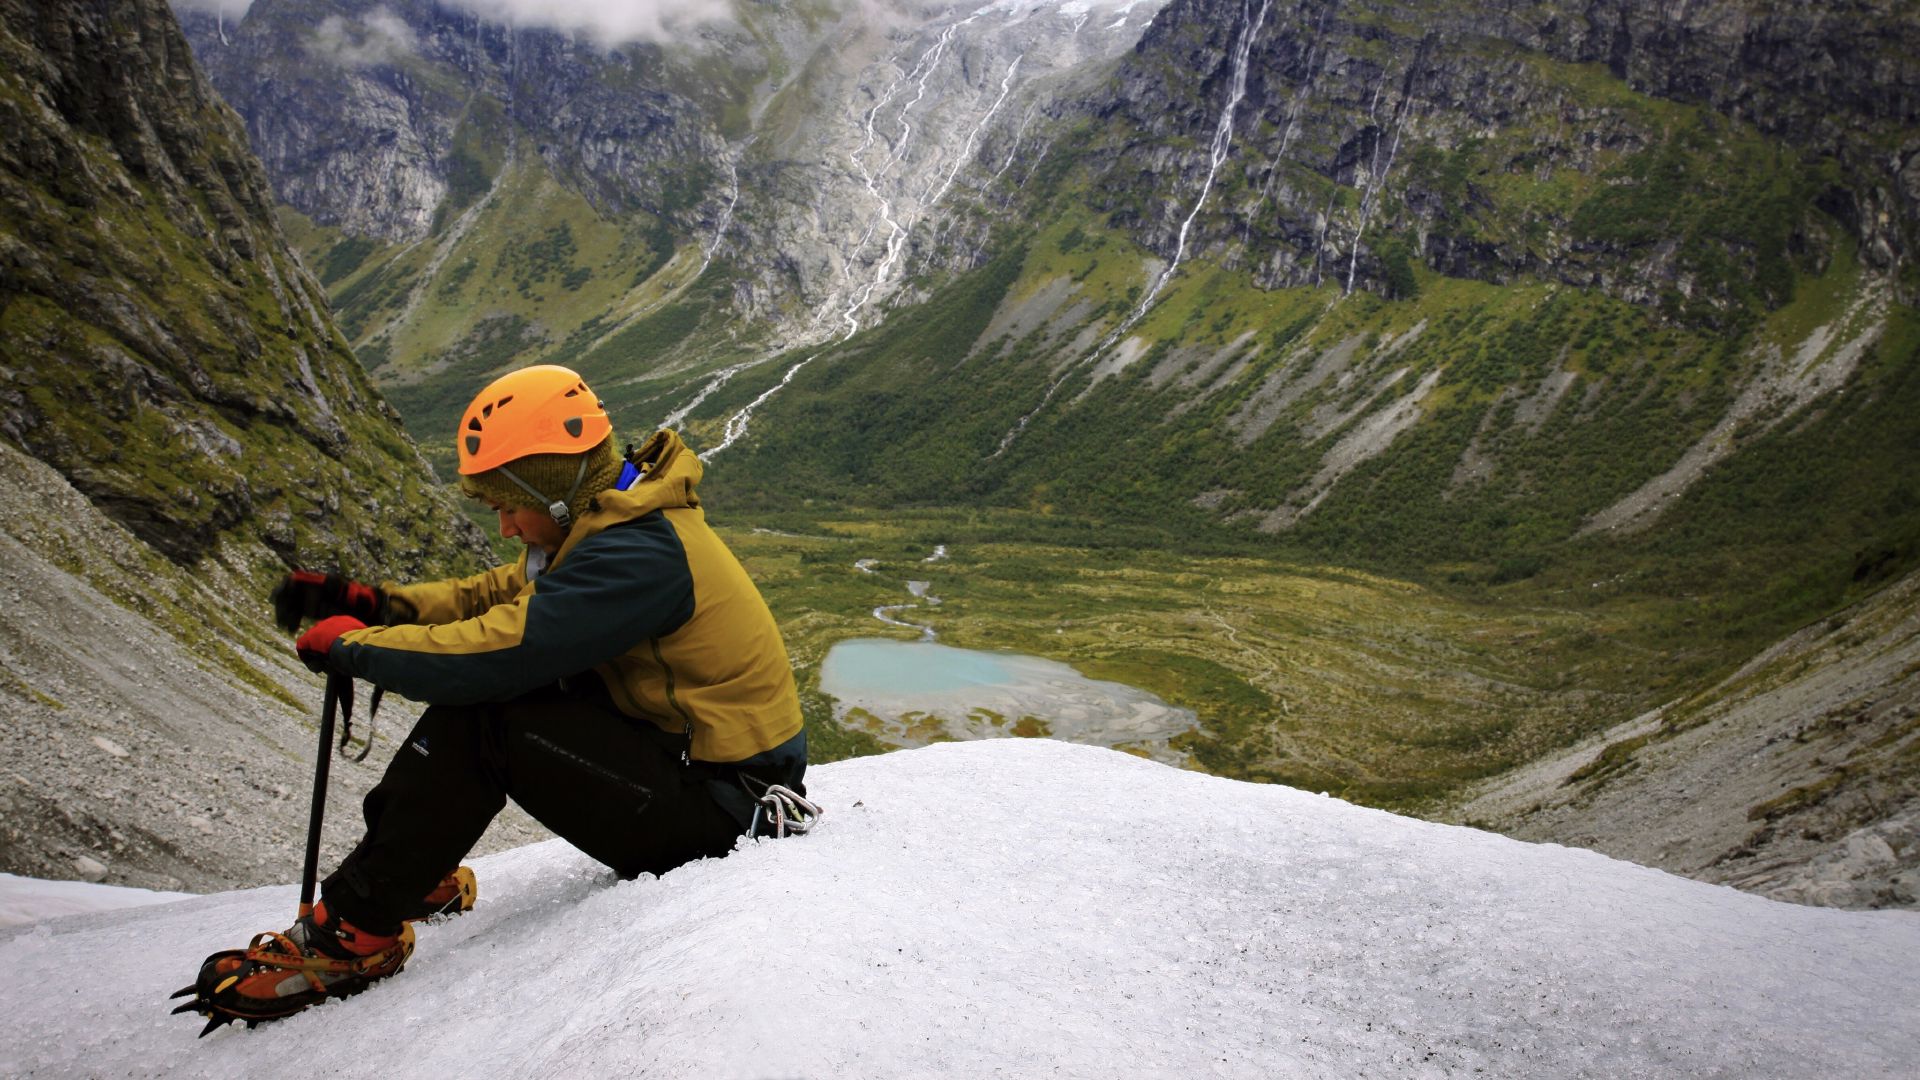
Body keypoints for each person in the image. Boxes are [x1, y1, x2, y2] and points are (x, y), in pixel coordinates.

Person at [176, 364, 810, 1028]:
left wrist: (353, 649)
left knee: (493, 710)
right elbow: (495, 596)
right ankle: (409, 871)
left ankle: (354, 938)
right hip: (698, 774)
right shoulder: (608, 517)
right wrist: (375, 604)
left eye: (509, 504)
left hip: (731, 813)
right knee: (505, 693)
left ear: (552, 487)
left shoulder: (636, 556)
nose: (505, 526)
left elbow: (497, 652)